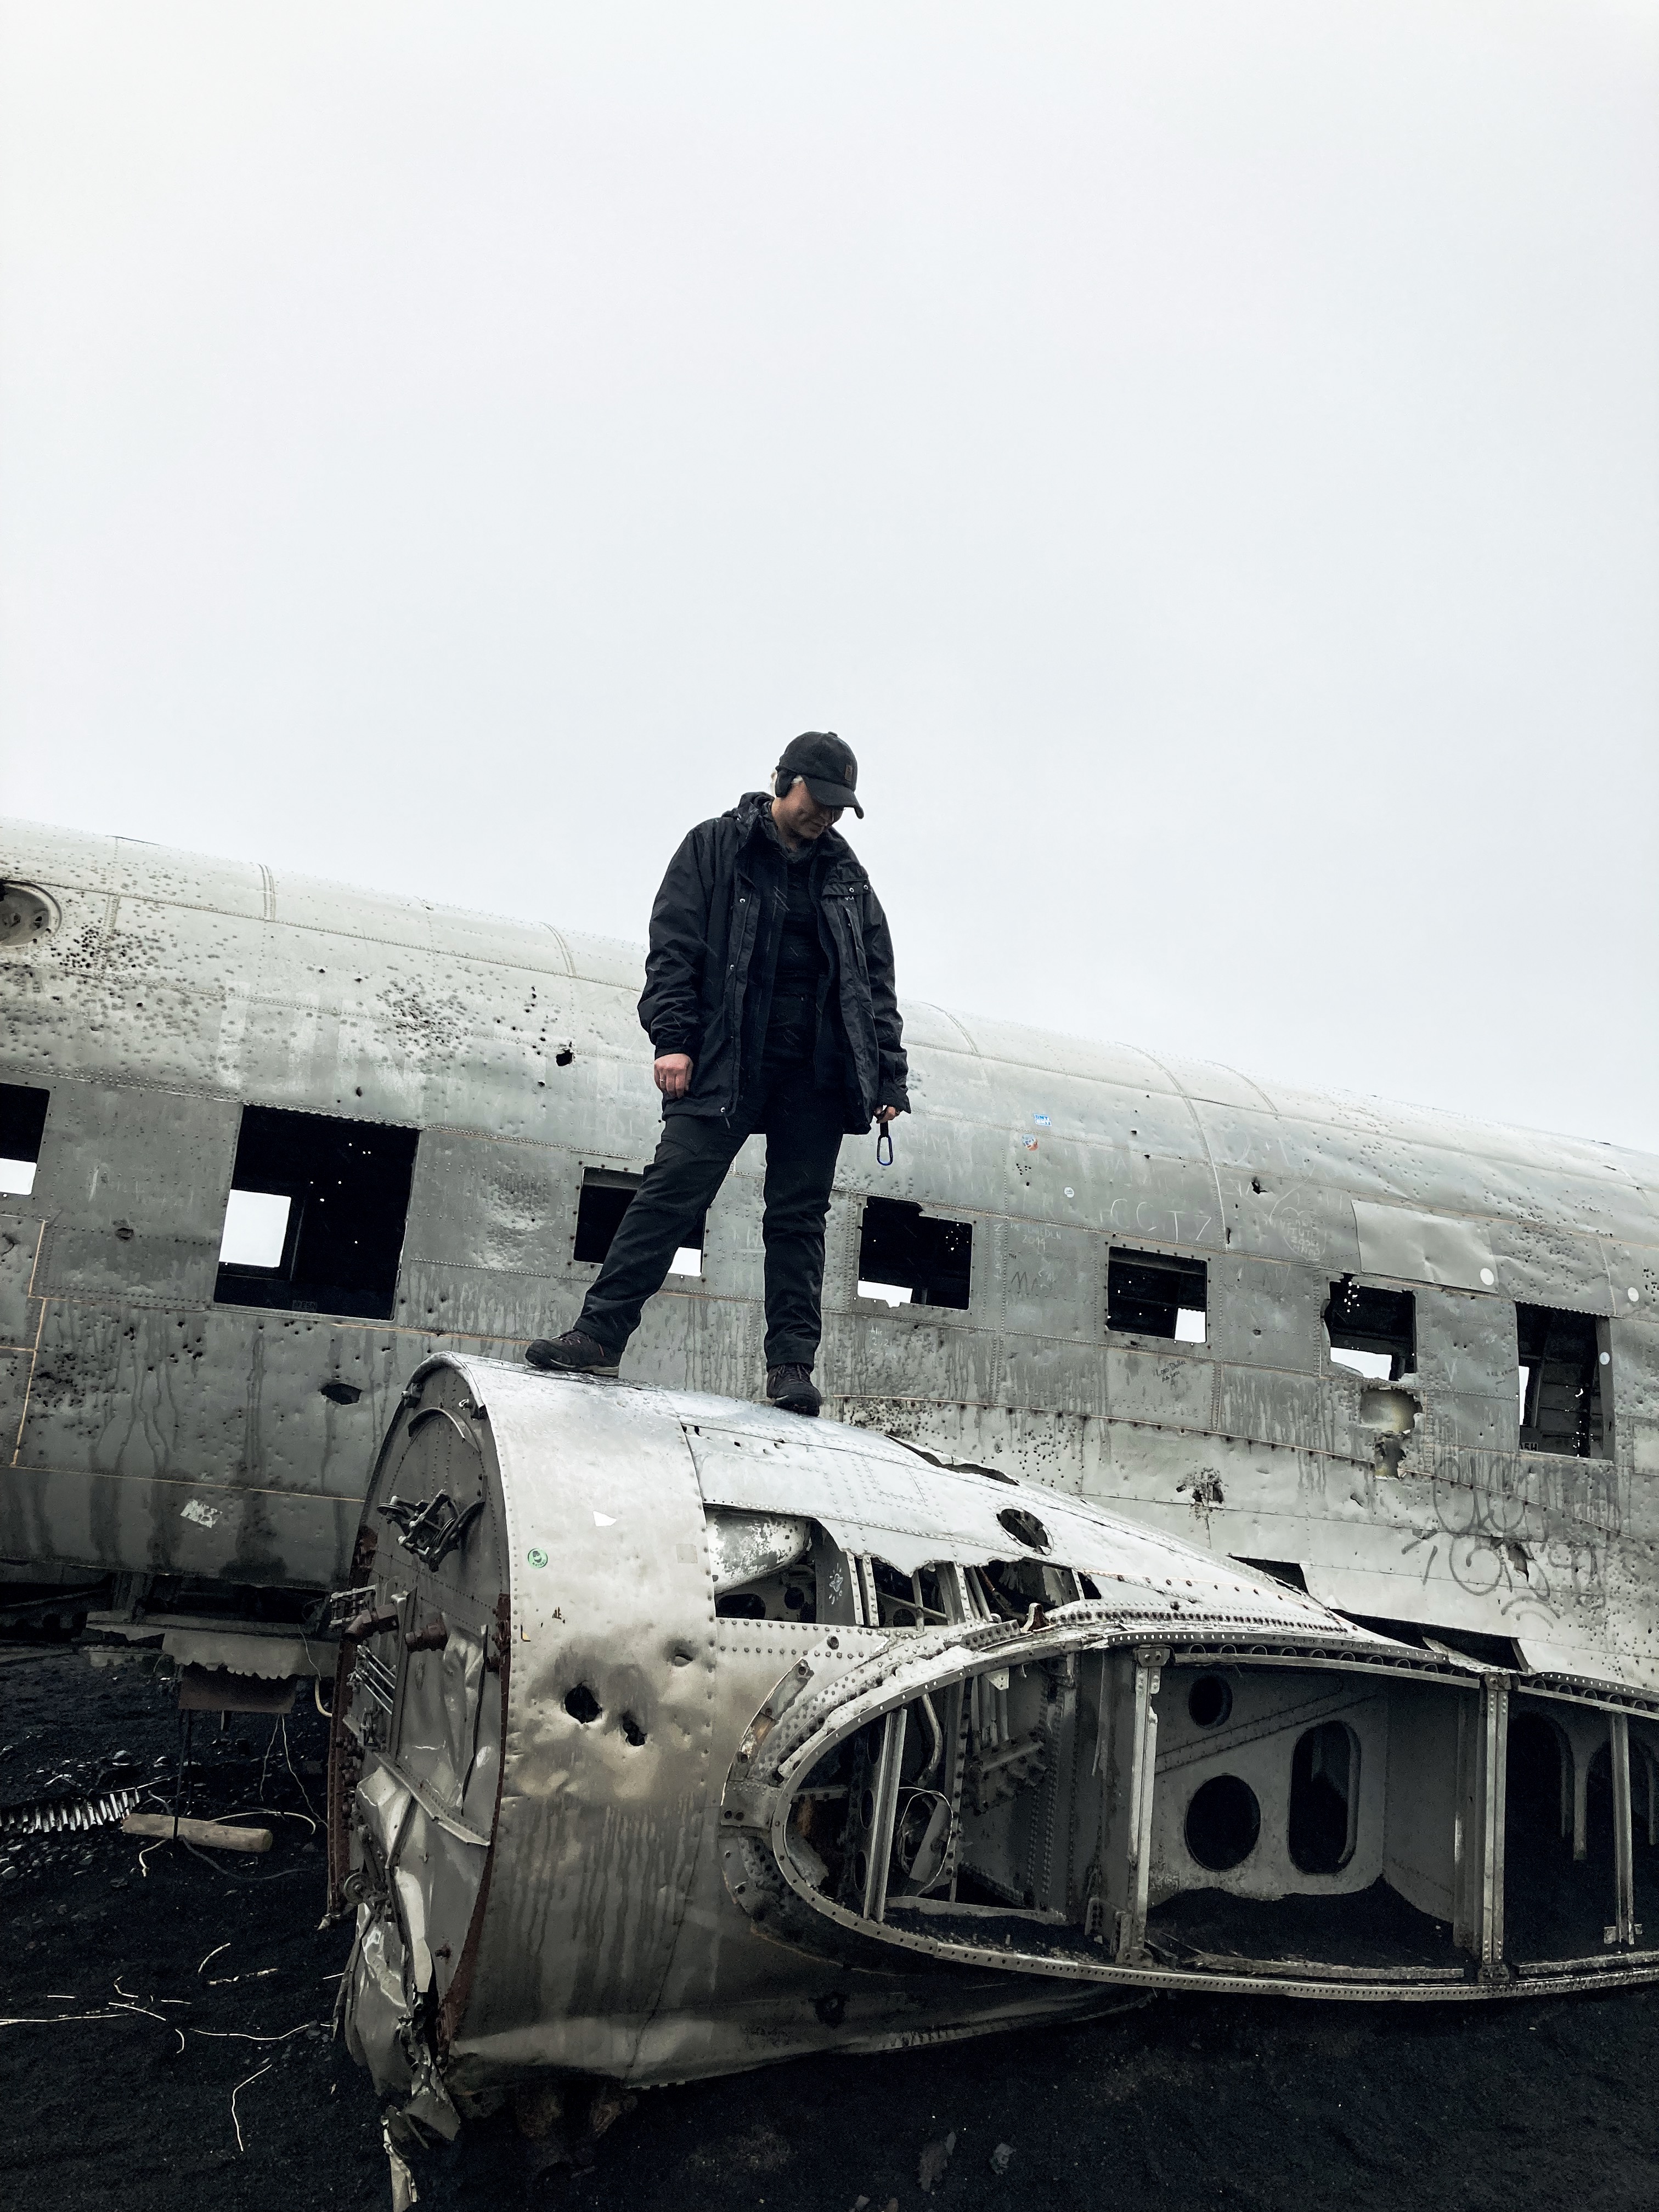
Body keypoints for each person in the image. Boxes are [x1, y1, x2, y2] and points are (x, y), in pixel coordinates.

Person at [526, 732, 907, 1415]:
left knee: (798, 1220)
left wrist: (888, 1078)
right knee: (672, 1190)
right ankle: (599, 1335)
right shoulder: (714, 847)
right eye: (818, 800)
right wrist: (672, 1040)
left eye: (839, 807)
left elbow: (874, 982)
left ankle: (791, 1367)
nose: (826, 816)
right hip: (729, 1057)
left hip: (816, 1073)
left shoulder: (848, 877)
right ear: (782, 782)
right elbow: (673, 948)